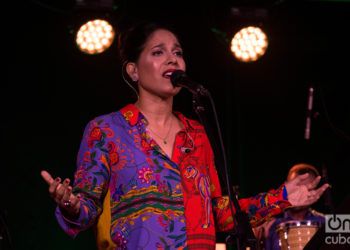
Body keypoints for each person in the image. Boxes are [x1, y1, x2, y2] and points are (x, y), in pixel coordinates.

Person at [40, 21, 329, 249]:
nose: (173, 60)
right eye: (158, 52)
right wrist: (71, 202)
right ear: (133, 71)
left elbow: (219, 212)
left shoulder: (196, 133)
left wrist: (284, 196)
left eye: (177, 52)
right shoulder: (106, 130)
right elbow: (86, 209)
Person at [256, 163, 326, 250]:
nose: (300, 193)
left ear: (314, 190)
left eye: (307, 188)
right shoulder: (267, 224)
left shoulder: (325, 222)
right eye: (296, 187)